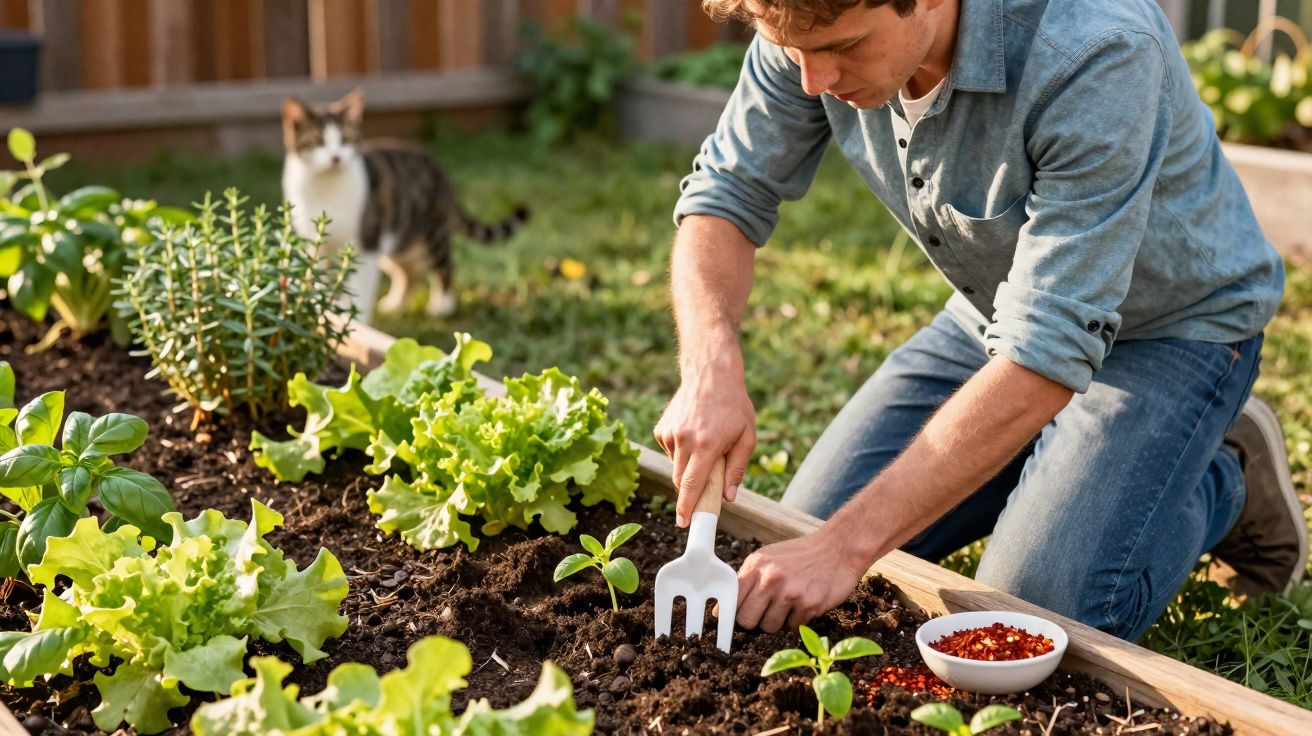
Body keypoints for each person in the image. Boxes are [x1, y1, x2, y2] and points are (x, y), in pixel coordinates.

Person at [653, 0, 1308, 642]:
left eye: (844, 49)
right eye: (794, 52)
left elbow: (1047, 346)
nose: (813, 80)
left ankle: (1228, 473)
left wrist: (847, 546)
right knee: (803, 529)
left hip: (1171, 329)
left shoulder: (1095, 47)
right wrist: (709, 366)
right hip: (997, 315)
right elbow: (727, 194)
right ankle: (1040, 453)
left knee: (1033, 612)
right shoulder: (809, 22)